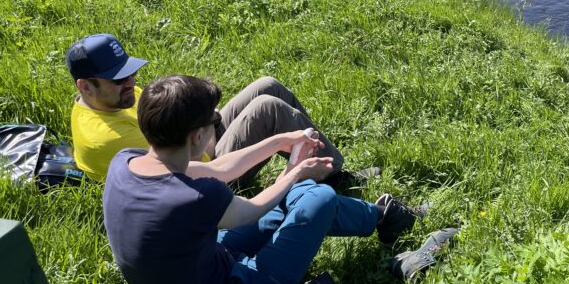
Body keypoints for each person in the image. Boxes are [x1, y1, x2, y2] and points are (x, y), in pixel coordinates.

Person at [102, 75, 420, 284]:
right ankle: (385, 217)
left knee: (299, 194)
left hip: (202, 271)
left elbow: (219, 169)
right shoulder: (194, 197)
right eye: (214, 120)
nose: (217, 124)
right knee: (319, 196)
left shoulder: (126, 161)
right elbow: (251, 210)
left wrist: (281, 141)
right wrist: (295, 172)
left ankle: (383, 216)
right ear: (197, 136)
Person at [65, 33, 356, 187]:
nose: (131, 83)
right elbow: (194, 165)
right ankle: (331, 176)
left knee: (268, 85)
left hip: (193, 142)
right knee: (269, 109)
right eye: (118, 79)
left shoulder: (111, 100)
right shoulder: (111, 137)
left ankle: (330, 165)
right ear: (85, 86)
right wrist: (206, 121)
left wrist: (204, 119)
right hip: (204, 176)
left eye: (130, 73)